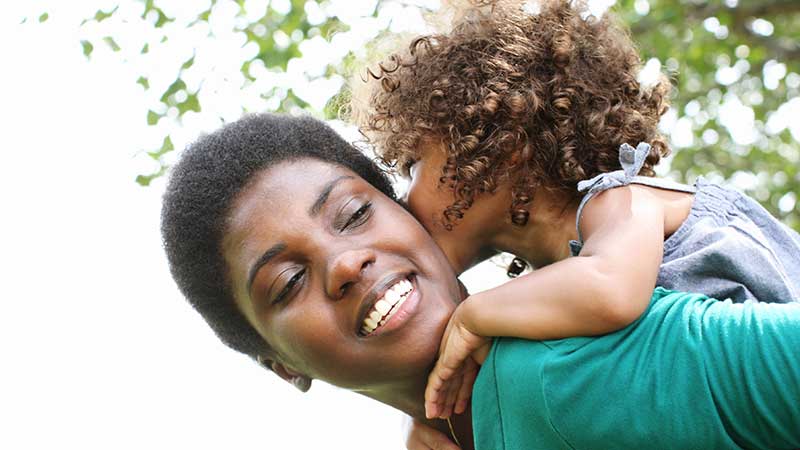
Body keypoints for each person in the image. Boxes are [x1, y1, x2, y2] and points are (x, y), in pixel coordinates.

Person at [161, 113, 800, 450]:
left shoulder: (553, 371)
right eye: (288, 281)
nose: (346, 263)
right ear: (280, 365)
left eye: (355, 214)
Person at [349, 0, 800, 426]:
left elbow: (611, 291)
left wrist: (472, 316)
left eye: (413, 166)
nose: (404, 203)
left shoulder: (623, 201)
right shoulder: (568, 277)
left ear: (499, 146)